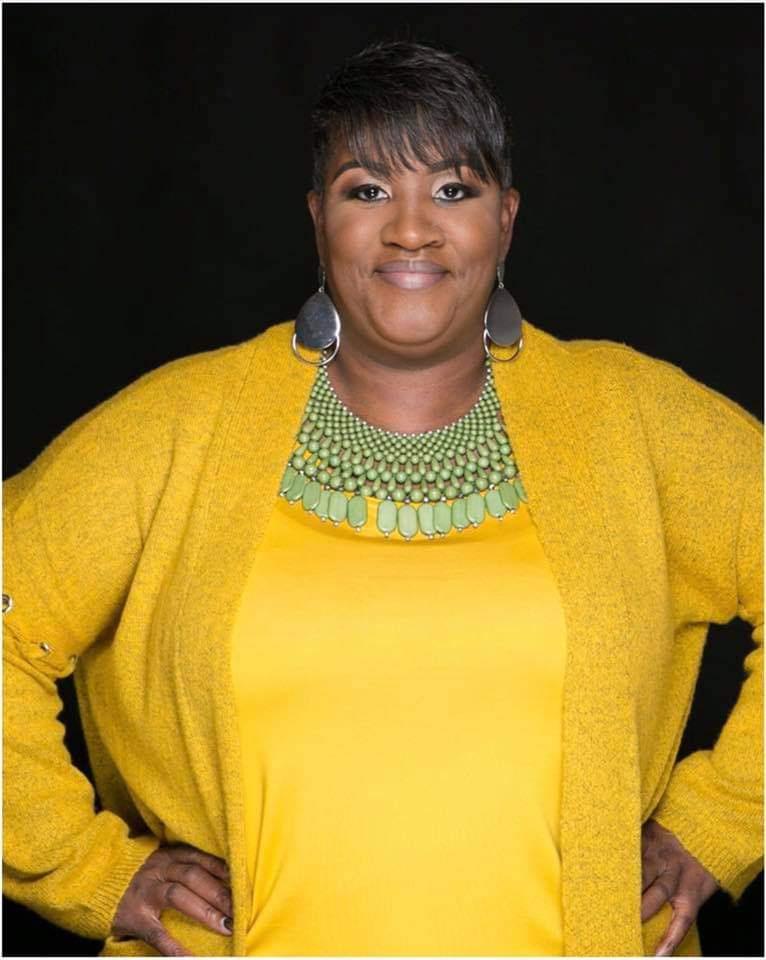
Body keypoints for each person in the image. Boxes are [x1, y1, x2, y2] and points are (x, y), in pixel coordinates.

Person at [3, 38, 762, 959]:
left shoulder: (628, 418)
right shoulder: (178, 428)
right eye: (367, 191)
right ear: (318, 218)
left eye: (453, 190)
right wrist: (88, 868)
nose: (411, 230)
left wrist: (720, 822)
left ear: (506, 220)